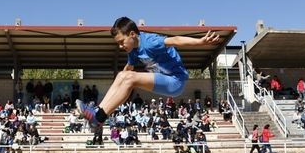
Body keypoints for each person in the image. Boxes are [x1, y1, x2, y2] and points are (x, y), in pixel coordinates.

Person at [75, 17, 222, 129]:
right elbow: (127, 71)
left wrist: (200, 42)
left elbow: (175, 40)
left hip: (176, 81)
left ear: (132, 34)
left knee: (128, 78)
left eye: (121, 42)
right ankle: (97, 113)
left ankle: (98, 117)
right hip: (163, 79)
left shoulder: (151, 41)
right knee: (122, 75)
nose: (120, 46)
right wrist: (120, 83)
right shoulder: (132, 50)